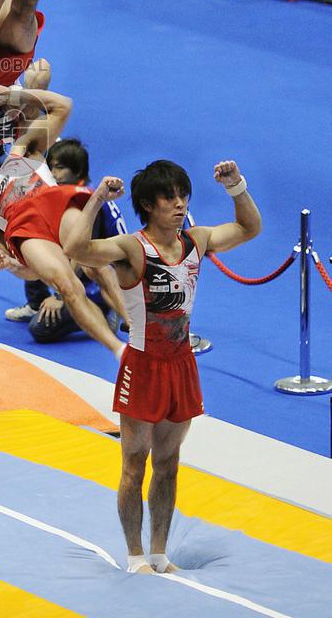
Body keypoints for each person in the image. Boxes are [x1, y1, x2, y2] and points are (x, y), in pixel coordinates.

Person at [62, 159, 261, 572]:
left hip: (181, 364)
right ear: (148, 206)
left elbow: (248, 228)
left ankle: (159, 552)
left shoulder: (196, 241)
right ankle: (135, 555)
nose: (179, 203)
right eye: (168, 197)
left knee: (168, 463)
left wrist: (236, 186)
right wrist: (98, 197)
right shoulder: (132, 248)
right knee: (134, 463)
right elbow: (75, 249)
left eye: (182, 195)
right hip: (144, 365)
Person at [0, 89, 125, 358]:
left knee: (89, 259)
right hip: (26, 230)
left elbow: (63, 105)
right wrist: (9, 264)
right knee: (67, 287)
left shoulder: (19, 154)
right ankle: (120, 350)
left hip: (52, 204)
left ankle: (132, 321)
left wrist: (10, 94)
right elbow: (31, 273)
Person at [0, 138, 130, 339]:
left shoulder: (85, 200)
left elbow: (79, 253)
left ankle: (103, 313)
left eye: (59, 168)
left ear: (77, 172)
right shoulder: (64, 192)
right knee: (32, 233)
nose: (53, 174)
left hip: (103, 274)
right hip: (86, 267)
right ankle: (36, 302)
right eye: (51, 168)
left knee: (40, 329)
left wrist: (61, 296)